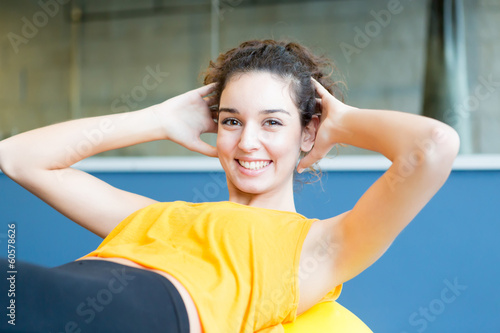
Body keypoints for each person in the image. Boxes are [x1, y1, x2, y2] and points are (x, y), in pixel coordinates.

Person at [0, 39, 459, 333]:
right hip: (57, 289)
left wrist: (344, 123)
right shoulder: (156, 216)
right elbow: (18, 159)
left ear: (308, 132)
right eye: (231, 120)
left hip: (137, 314)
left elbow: (433, 146)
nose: (248, 141)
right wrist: (156, 119)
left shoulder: (319, 247)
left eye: (273, 122)